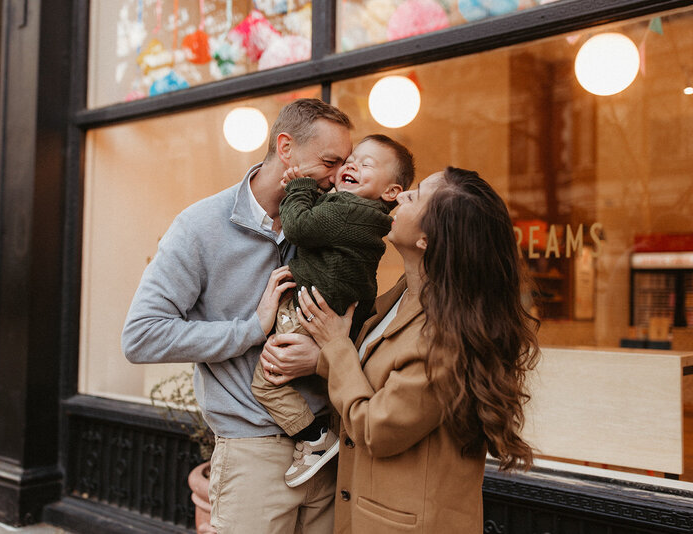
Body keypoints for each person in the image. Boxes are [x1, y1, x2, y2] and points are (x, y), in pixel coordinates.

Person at [261, 167, 540, 533]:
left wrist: (335, 346)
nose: (403, 195)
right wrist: (321, 359)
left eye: (417, 194)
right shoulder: (404, 293)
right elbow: (380, 378)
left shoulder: (448, 334)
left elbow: (379, 428)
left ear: (427, 239)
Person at [121, 98, 353, 534]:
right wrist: (251, 330)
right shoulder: (199, 225)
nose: (339, 175)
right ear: (286, 148)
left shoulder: (328, 224)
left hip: (329, 450)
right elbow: (141, 336)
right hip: (253, 454)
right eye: (330, 161)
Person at [251, 135, 415, 489]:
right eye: (350, 160)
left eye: (366, 164)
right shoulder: (362, 215)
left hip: (316, 309)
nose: (351, 165)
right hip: (334, 307)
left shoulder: (348, 211)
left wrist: (299, 187)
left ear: (391, 192)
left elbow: (298, 227)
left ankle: (315, 438)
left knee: (265, 382)